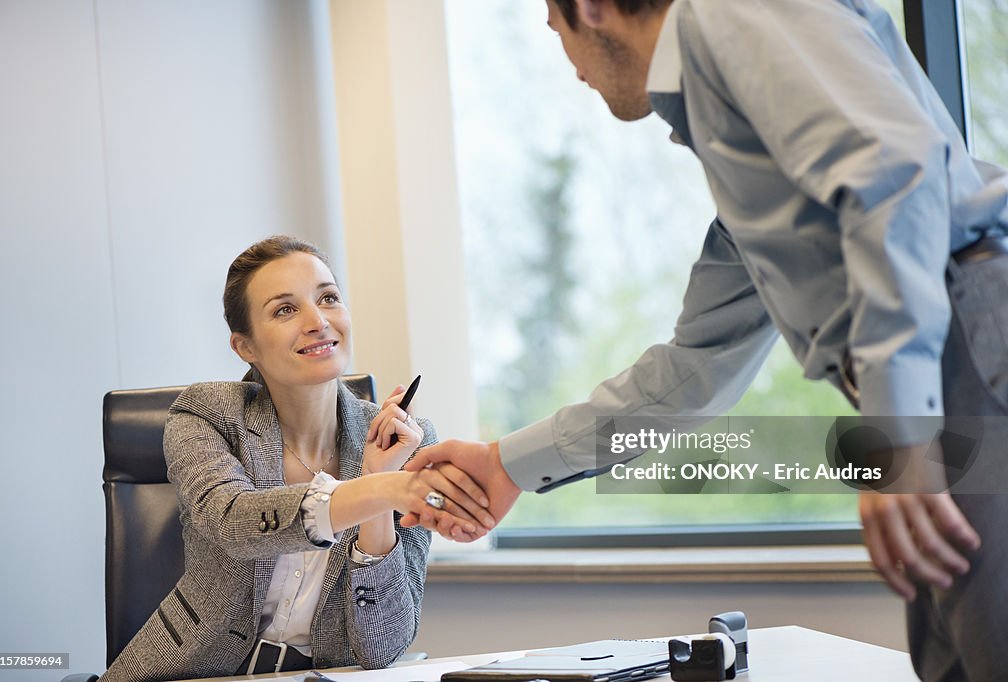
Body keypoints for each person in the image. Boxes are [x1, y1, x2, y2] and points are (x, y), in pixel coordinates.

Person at [405, 1, 1008, 679]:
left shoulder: (733, 12)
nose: (571, 68)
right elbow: (693, 370)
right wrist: (506, 464)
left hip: (965, 345)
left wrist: (897, 422)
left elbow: (895, 175)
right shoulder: (741, 144)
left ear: (593, 9)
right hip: (933, 364)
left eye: (556, 31)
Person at [102, 236, 492, 682]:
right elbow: (235, 524)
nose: (317, 321)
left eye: (328, 298)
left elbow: (382, 645)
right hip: (194, 673)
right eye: (285, 309)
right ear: (245, 347)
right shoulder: (207, 414)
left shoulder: (408, 445)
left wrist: (380, 484)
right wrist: (380, 489)